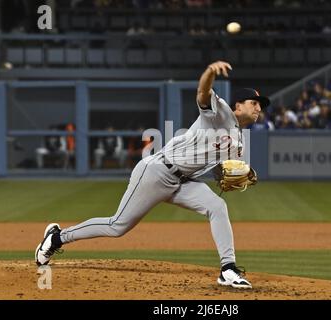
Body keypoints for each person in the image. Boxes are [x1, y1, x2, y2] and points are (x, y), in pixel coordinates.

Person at [35, 61, 270, 289]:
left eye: (261, 104)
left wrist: (230, 175)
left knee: (217, 206)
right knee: (118, 226)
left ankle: (227, 269)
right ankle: (56, 238)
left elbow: (218, 168)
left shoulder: (239, 143)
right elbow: (202, 92)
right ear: (237, 105)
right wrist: (210, 71)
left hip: (183, 181)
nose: (259, 107)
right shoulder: (220, 114)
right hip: (157, 172)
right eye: (254, 102)